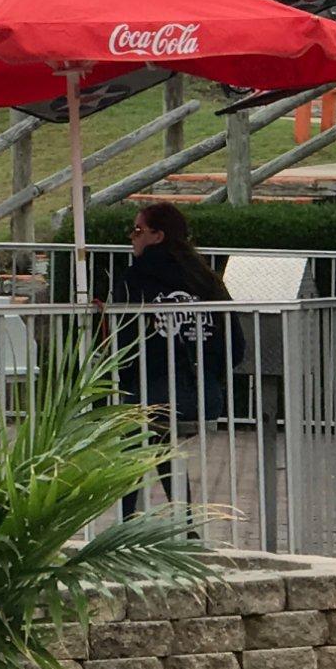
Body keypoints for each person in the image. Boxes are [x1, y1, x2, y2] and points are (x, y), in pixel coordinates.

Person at [111, 202, 236, 520]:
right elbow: (236, 346)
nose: (132, 237)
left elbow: (124, 349)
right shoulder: (207, 280)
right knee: (160, 441)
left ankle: (126, 524)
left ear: (157, 236)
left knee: (133, 435)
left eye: (137, 230)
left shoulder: (135, 279)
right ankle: (185, 522)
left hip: (154, 395)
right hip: (206, 396)